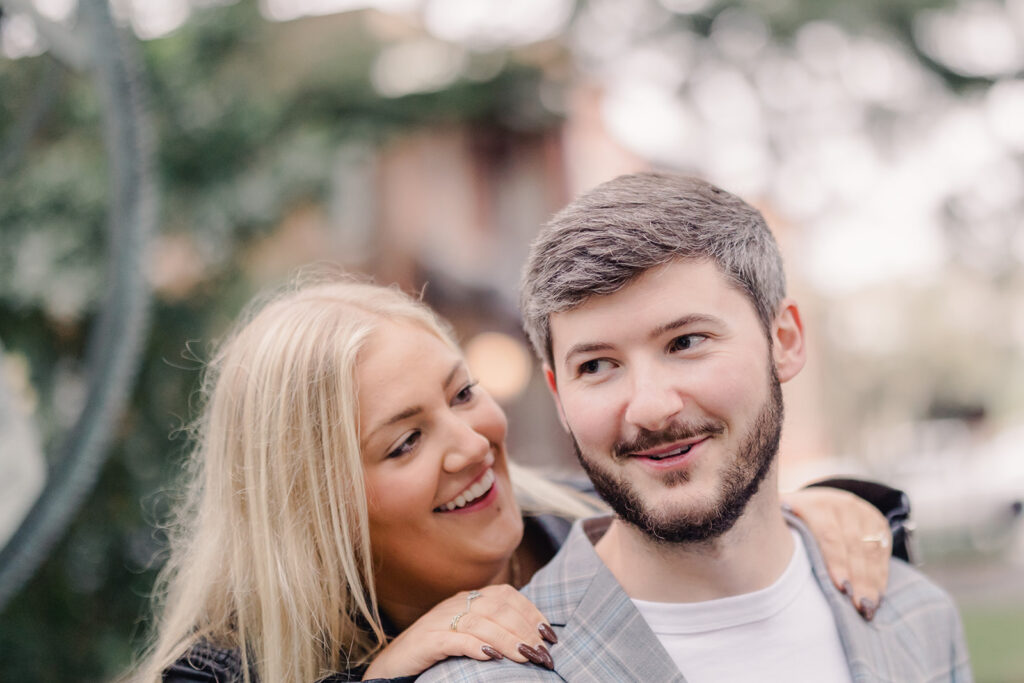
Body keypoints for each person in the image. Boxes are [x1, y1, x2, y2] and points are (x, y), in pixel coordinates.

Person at [134, 278, 905, 683]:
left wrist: (818, 514)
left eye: (464, 393)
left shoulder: (586, 534)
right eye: (405, 441)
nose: (471, 443)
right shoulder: (229, 668)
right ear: (310, 512)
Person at [420, 173, 971, 682]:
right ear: (559, 395)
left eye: (686, 343)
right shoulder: (485, 676)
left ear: (784, 341)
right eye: (597, 365)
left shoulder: (919, 616)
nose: (651, 409)